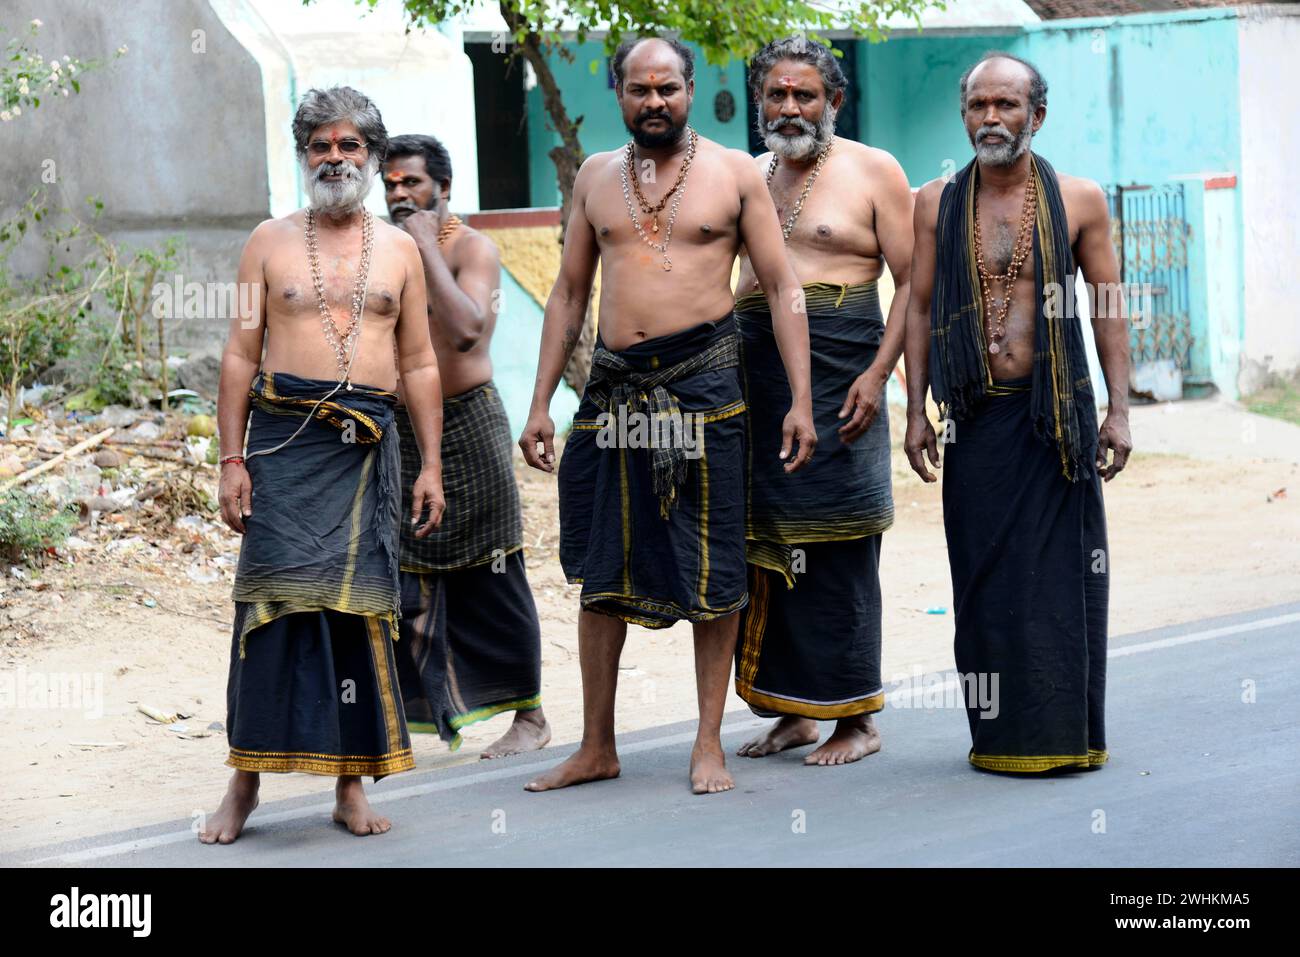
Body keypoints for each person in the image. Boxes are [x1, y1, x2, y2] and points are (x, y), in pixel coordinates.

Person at [518, 36, 815, 795]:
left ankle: (707, 742)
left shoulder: (734, 173)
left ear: (690, 90)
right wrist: (540, 403)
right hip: (614, 392)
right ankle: (596, 744)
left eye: (669, 88)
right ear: (617, 93)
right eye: (640, 89)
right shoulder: (593, 178)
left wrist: (802, 399)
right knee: (602, 570)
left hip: (705, 389)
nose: (655, 101)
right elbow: (569, 294)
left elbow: (781, 288)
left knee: (713, 567)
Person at [201, 87, 445, 843]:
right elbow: (241, 354)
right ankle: (243, 786)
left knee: (359, 616)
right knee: (270, 610)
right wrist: (231, 459)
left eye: (350, 147)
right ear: (303, 153)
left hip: (368, 455)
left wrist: (430, 464)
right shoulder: (268, 242)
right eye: (321, 145)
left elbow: (420, 363)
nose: (334, 158)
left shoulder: (401, 249)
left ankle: (351, 785)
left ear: (371, 156)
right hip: (282, 449)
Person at [902, 53, 1132, 774]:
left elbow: (1107, 306)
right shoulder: (935, 201)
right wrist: (913, 408)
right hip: (974, 416)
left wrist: (1120, 410)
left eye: (1007, 105)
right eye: (978, 106)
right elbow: (915, 303)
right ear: (964, 113)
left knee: (1060, 580)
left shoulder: (1082, 199)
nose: (991, 119)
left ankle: (1067, 734)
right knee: (982, 579)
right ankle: (999, 737)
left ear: (1038, 114)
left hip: (1054, 419)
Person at [731, 37, 915, 766]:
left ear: (833, 101)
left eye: (804, 94)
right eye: (776, 94)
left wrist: (878, 375)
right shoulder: (746, 176)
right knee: (767, 547)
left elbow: (915, 286)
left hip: (846, 381)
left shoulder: (874, 170)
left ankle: (856, 718)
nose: (789, 107)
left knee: (838, 544)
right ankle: (789, 710)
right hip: (758, 379)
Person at [382, 134, 549, 758]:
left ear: (443, 189)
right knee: (396, 573)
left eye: (413, 184)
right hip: (396, 432)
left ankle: (528, 716)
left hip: (468, 427)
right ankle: (399, 713)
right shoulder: (382, 247)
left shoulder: (472, 247)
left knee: (492, 571)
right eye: (391, 184)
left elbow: (467, 330)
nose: (400, 195)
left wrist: (426, 245)